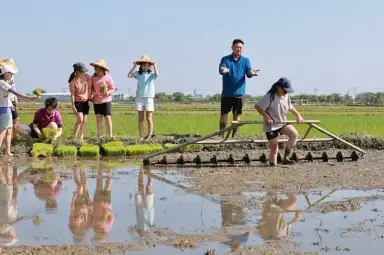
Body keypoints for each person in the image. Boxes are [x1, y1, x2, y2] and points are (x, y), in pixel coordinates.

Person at [255, 77, 304, 166]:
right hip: (271, 125)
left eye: (287, 91)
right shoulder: (269, 96)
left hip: (282, 122)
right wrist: (266, 116)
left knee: (294, 134)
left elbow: (290, 107)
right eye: (284, 90)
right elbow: (257, 107)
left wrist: (298, 115)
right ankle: (273, 166)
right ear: (278, 87)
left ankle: (286, 157)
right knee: (274, 148)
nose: (286, 92)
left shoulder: (286, 96)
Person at [219, 39, 260, 137]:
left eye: (240, 47)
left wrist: (252, 73)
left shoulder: (245, 60)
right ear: (232, 47)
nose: (238, 49)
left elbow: (248, 72)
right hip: (227, 93)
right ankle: (221, 134)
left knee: (236, 115)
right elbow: (222, 69)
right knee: (224, 114)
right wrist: (223, 71)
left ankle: (234, 134)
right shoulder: (225, 59)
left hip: (239, 93)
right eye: (237, 47)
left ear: (243, 49)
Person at [0, 64, 39, 156]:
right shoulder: (3, 83)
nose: (12, 75)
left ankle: (8, 151)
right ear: (5, 73)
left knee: (9, 131)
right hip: (4, 110)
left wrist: (10, 104)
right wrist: (30, 97)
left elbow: (7, 97)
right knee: (3, 131)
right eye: (11, 74)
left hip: (7, 107)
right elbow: (16, 93)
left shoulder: (4, 82)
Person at [128, 55, 159, 141]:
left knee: (149, 117)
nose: (145, 67)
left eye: (147, 65)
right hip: (140, 98)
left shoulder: (151, 74)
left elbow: (157, 74)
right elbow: (129, 75)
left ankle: (149, 136)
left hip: (149, 97)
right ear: (141, 66)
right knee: (140, 118)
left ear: (149, 66)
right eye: (143, 65)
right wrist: (134, 66)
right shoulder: (138, 74)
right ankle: (141, 136)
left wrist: (155, 65)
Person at [90, 59, 115, 137]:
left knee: (107, 117)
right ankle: (99, 136)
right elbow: (91, 88)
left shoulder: (108, 77)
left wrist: (107, 92)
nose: (97, 71)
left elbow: (113, 88)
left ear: (103, 69)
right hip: (97, 101)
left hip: (106, 100)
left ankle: (110, 136)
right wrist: (92, 93)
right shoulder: (93, 78)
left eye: (99, 70)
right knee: (98, 118)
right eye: (96, 69)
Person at [68, 62, 92, 141]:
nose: (84, 72)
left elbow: (89, 89)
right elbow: (72, 95)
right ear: (77, 71)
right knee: (80, 120)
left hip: (86, 101)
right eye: (82, 71)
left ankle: (81, 137)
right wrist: (73, 106)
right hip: (78, 102)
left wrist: (89, 99)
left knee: (84, 120)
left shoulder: (87, 77)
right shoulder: (73, 82)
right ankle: (74, 137)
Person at [69, 167, 92, 242]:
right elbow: (89, 212)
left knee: (80, 186)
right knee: (84, 184)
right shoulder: (87, 227)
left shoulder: (73, 226)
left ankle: (75, 171)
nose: (79, 234)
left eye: (78, 235)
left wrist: (73, 198)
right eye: (80, 235)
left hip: (78, 202)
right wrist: (88, 198)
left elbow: (72, 210)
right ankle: (82, 169)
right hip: (85, 202)